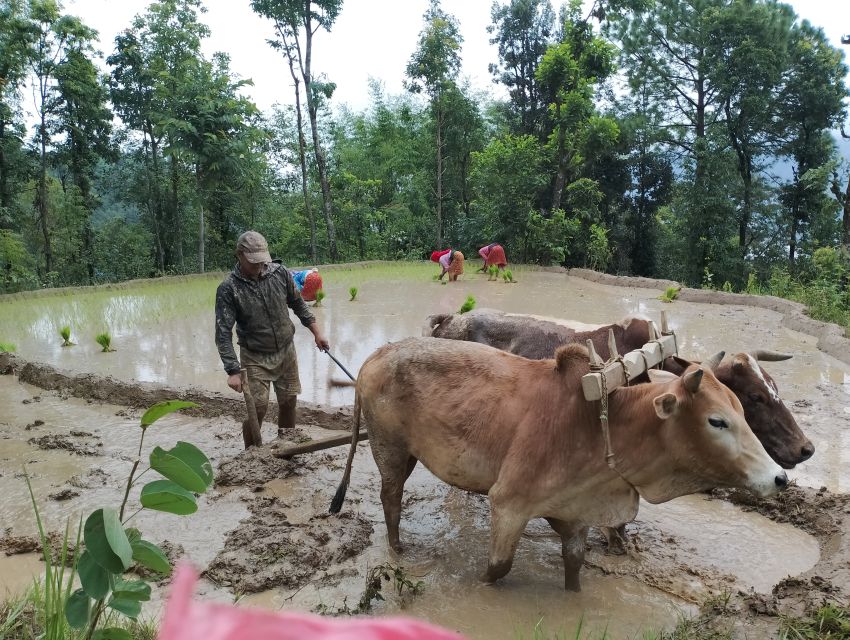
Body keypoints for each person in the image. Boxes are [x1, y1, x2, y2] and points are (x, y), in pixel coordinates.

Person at [215, 231, 329, 447]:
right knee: (257, 406)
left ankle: (287, 445)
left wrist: (317, 333)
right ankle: (252, 453)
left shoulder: (280, 274)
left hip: (286, 351)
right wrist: (232, 370)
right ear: (239, 255)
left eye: (261, 261)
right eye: (253, 262)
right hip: (254, 356)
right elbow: (222, 333)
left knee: (288, 401)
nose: (258, 266)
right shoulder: (229, 288)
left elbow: (299, 305)